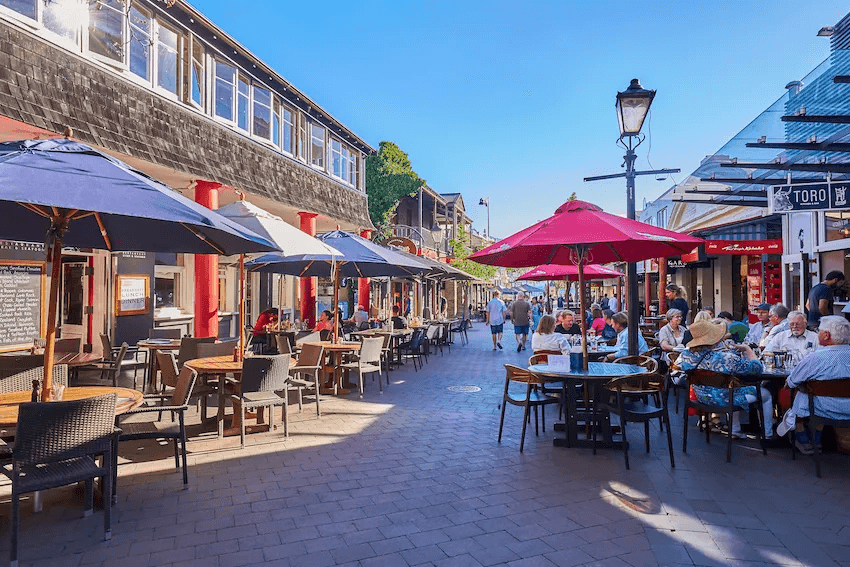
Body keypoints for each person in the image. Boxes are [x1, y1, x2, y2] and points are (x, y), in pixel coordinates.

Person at [678, 319, 774, 439]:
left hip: (702, 398)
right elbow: (757, 368)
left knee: (732, 389)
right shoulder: (726, 358)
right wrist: (747, 349)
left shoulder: (685, 356)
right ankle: (768, 434)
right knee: (765, 395)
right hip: (724, 400)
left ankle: (735, 430)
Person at [783, 316, 850, 454]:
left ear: (826, 335)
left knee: (796, 393)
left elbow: (790, 382)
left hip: (822, 409)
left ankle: (803, 438)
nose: (817, 333)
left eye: (819, 331)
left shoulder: (814, 358)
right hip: (847, 408)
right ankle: (816, 438)